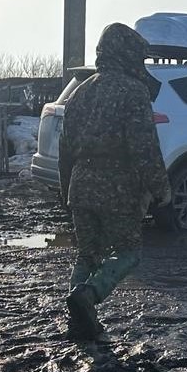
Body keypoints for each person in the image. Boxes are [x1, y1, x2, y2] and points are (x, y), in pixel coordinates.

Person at [59, 24, 171, 341]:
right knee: (129, 252)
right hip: (118, 187)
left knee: (87, 254)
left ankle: (79, 316)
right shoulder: (133, 92)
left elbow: (65, 149)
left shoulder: (81, 91)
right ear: (129, 55)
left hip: (80, 185)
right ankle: (90, 295)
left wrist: (67, 189)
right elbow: (144, 148)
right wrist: (160, 187)